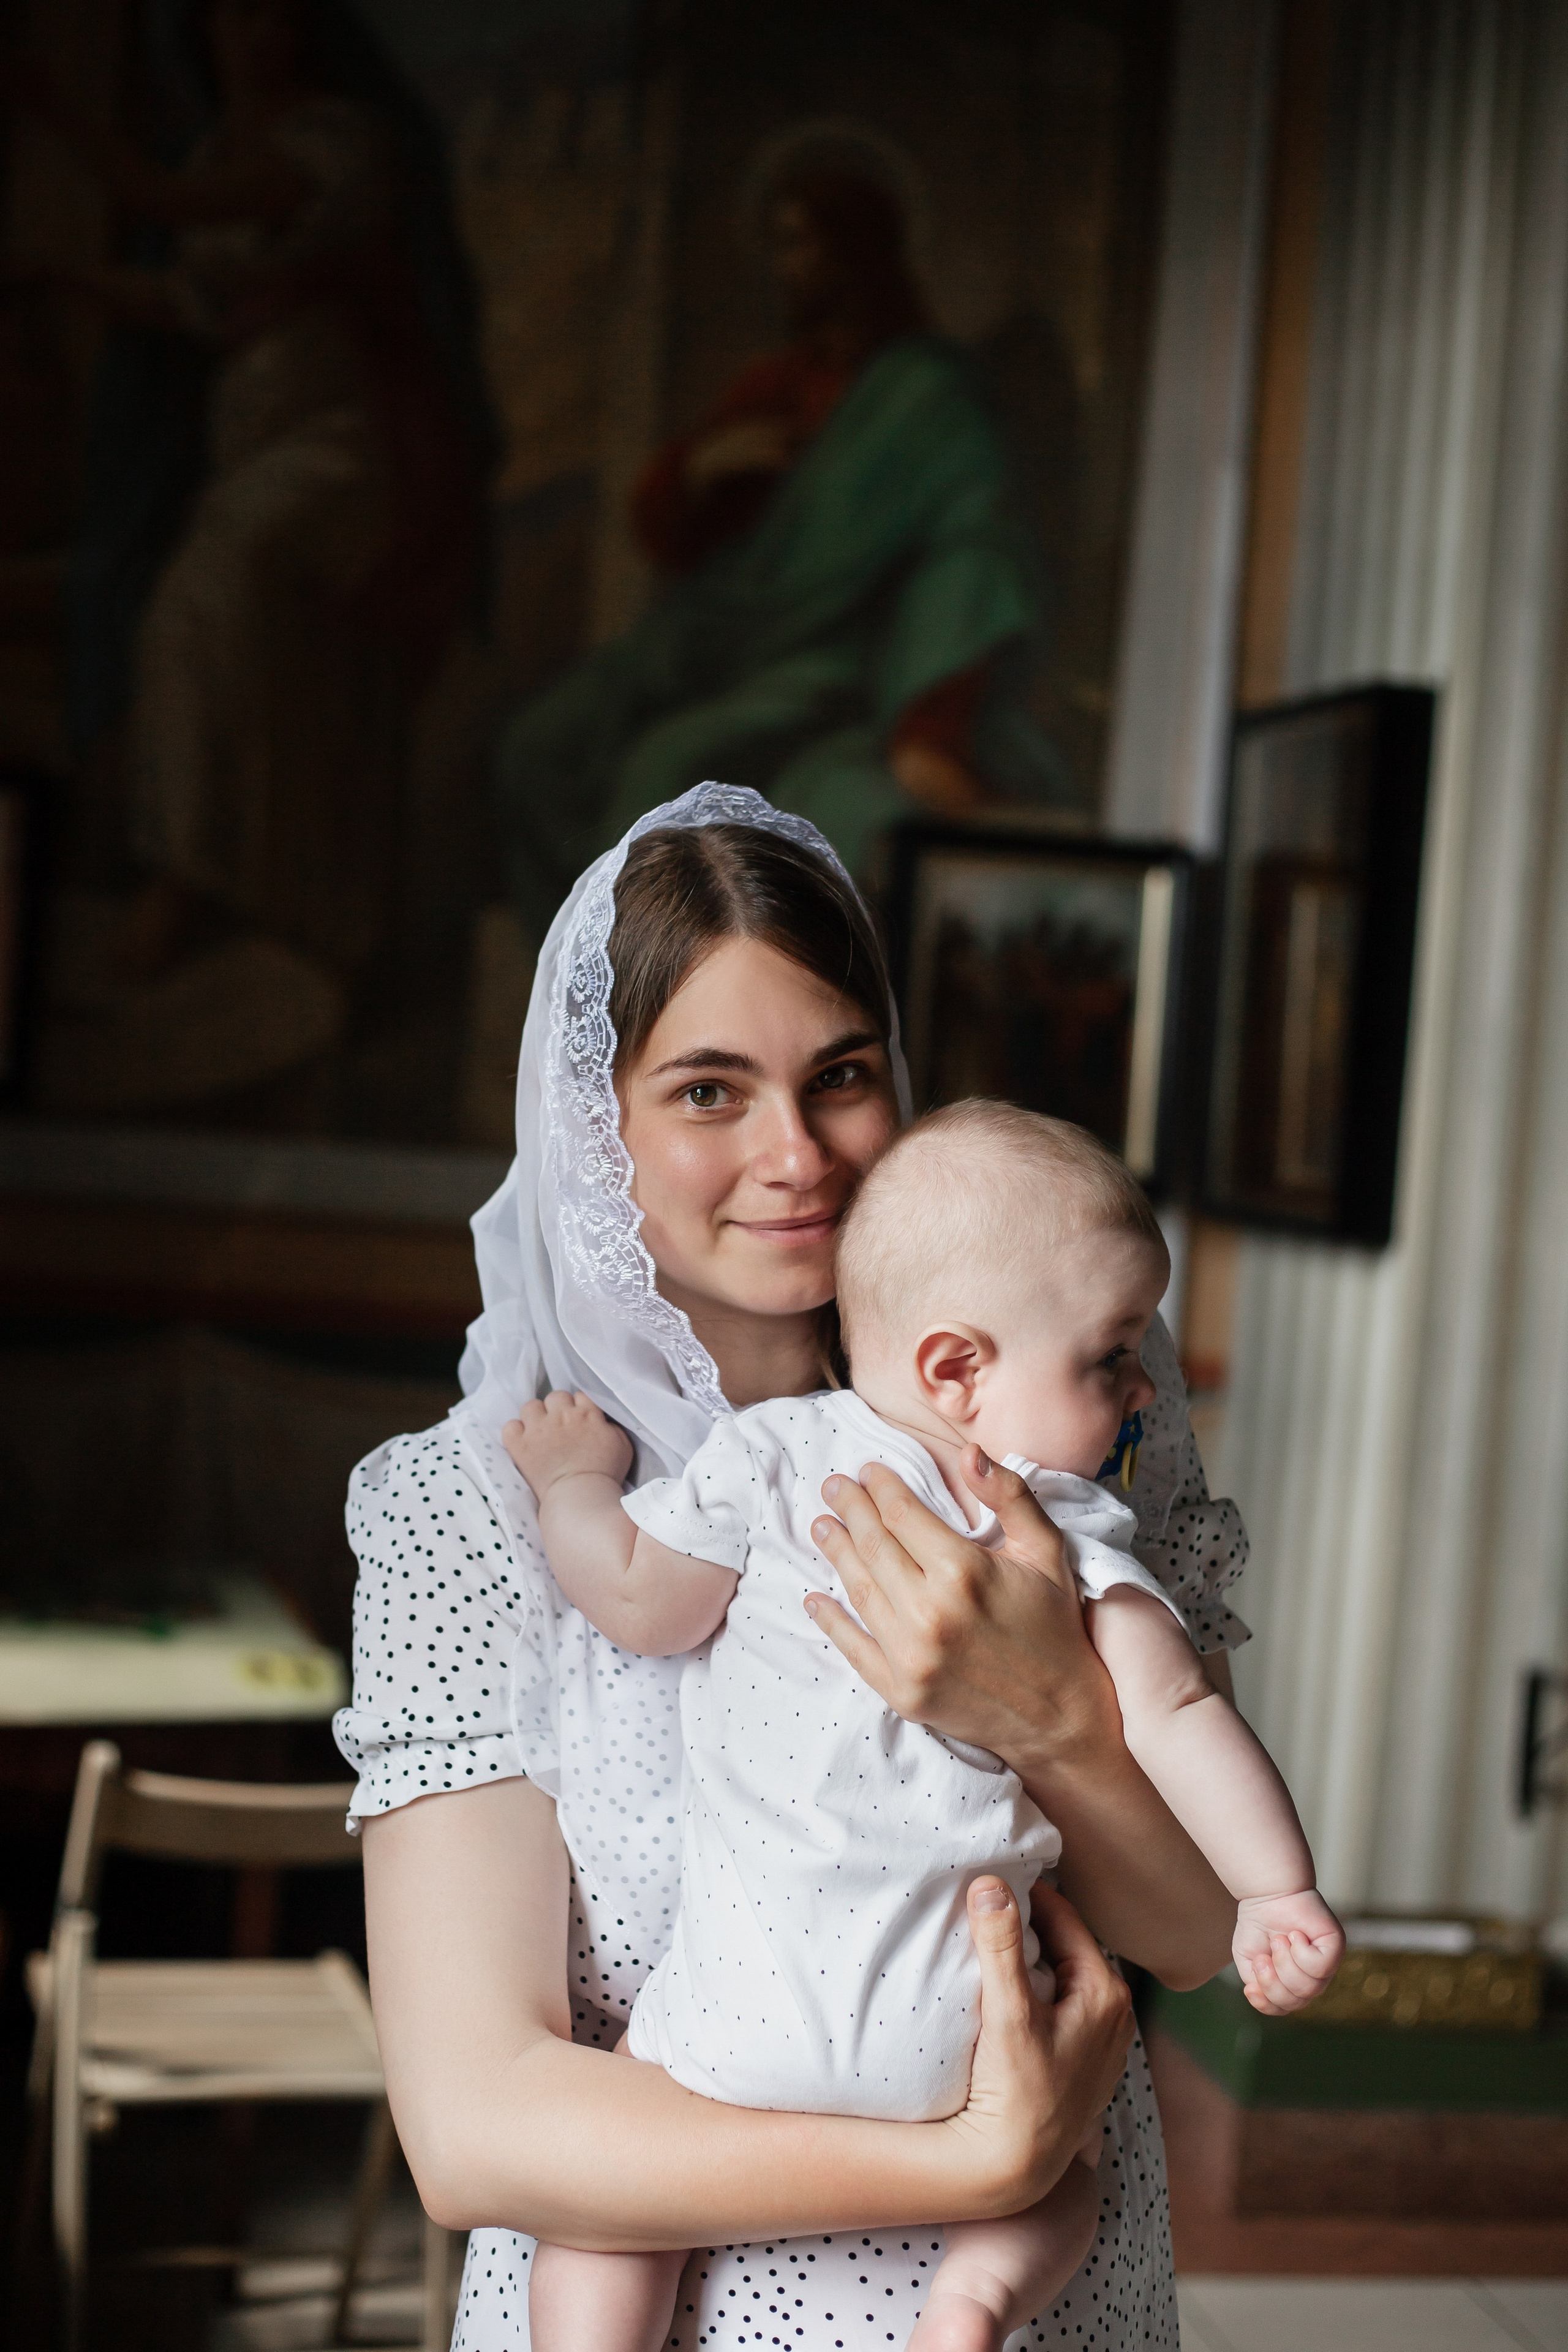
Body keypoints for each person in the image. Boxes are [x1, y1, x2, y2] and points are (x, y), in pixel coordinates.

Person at [337, 783, 1251, 2350]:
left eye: (839, 1075)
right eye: (706, 1090)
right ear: (592, 1126)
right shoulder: (467, 1510)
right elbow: (473, 2123)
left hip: (1040, 2310)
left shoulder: (1051, 1406)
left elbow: (1189, 1932)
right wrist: (975, 2154)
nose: (795, 1153)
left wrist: (1042, 1715)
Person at [504, 1101, 1339, 2352]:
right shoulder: (1065, 1537)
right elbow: (1170, 1713)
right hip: (959, 2044)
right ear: (956, 1371)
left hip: (740, 2026)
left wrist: (572, 1484)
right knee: (1064, 2186)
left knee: (598, 2218)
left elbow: (637, 1601)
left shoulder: (775, 1458)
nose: (1137, 1391)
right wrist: (1278, 1891)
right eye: (1109, 1357)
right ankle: (969, 2305)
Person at [28, 0, 489, 993]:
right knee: (275, 656)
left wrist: (58, 121)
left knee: (207, 597)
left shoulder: (341, 139)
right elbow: (192, 300)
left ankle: (184, 884)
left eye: (278, 8)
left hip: (349, 453)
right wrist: (67, 278)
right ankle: (294, 905)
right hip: (254, 451)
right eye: (235, 12)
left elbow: (175, 208)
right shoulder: (212, 155)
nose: (258, 29)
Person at [495, 162, 1073, 948]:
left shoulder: (924, 396)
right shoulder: (778, 383)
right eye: (778, 247)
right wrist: (704, 467)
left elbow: (972, 543)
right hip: (723, 640)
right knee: (540, 748)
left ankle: (648, 1018)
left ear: (858, 251)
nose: (788, 268)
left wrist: (931, 726)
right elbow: (672, 534)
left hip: (833, 660)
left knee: (659, 770)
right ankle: (575, 1012)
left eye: (803, 245)